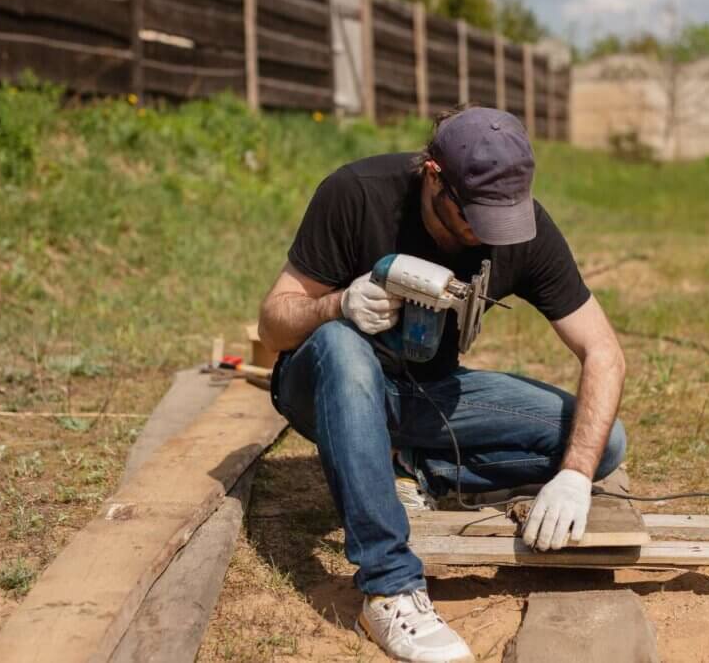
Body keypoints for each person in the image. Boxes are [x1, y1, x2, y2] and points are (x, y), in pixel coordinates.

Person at [258, 106, 627, 663]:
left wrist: (574, 475)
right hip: (324, 386)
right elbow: (271, 323)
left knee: (605, 444)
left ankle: (410, 466)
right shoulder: (356, 193)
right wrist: (337, 305)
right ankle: (388, 587)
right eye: (474, 215)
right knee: (341, 345)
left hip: (422, 394)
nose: (487, 232)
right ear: (434, 175)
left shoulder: (521, 229)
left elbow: (603, 351)